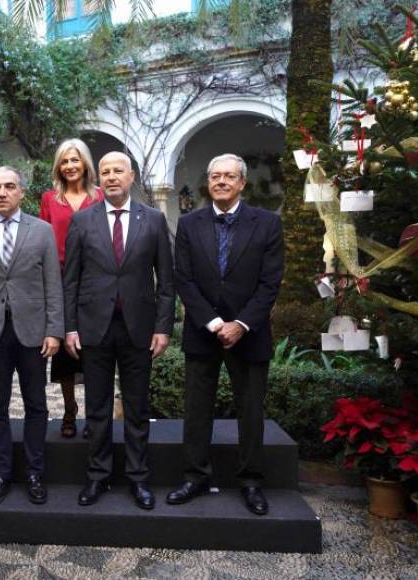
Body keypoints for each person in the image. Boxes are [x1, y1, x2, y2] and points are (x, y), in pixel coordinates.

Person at [167, 153, 284, 516]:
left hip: (249, 332)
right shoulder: (189, 224)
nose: (220, 181)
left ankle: (250, 481)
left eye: (228, 176)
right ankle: (195, 476)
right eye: (214, 175)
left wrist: (241, 324)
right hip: (204, 332)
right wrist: (215, 323)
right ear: (208, 181)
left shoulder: (267, 223)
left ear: (241, 183)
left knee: (250, 411)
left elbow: (270, 283)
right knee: (197, 410)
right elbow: (182, 279)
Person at [63, 152, 174, 510]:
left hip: (138, 329)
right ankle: (97, 476)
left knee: (137, 408)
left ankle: (138, 479)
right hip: (94, 328)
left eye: (118, 171)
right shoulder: (82, 221)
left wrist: (163, 328)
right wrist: (69, 328)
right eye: (106, 172)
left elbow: (167, 282)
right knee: (96, 409)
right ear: (100, 179)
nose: (111, 177)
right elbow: (71, 281)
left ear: (131, 177)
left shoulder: (154, 220)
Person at [0, 166, 63, 506]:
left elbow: (53, 284)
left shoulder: (43, 231)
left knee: (36, 405)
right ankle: (1, 474)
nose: (2, 192)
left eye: (9, 186)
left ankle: (35, 472)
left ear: (22, 192)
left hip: (33, 331)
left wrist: (54, 330)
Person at [39, 138, 104, 438]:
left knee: (93, 350)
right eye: (64, 161)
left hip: (94, 279)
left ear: (85, 163)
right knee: (65, 351)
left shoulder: (101, 197)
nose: (70, 166)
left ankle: (94, 414)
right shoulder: (50, 199)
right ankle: (68, 409)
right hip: (61, 278)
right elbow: (42, 238)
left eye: (75, 160)